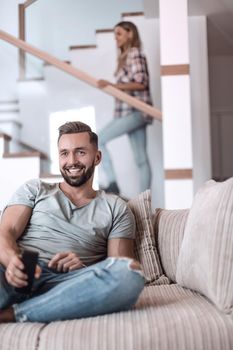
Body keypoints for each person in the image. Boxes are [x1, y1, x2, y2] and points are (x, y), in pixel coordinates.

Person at [0, 121, 145, 323]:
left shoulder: (116, 207)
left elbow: (120, 264)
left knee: (130, 274)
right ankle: (39, 308)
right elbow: (5, 232)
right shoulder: (35, 189)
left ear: (97, 157)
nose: (72, 161)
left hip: (70, 284)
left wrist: (82, 269)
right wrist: (11, 261)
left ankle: (15, 314)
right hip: (17, 272)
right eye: (64, 153)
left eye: (81, 152)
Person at [97, 21, 153, 195]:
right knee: (141, 159)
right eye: (115, 35)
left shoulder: (135, 54)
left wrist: (113, 86)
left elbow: (141, 83)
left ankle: (113, 183)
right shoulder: (125, 56)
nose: (116, 38)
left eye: (119, 34)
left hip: (134, 111)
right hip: (131, 112)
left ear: (130, 34)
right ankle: (145, 199)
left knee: (97, 139)